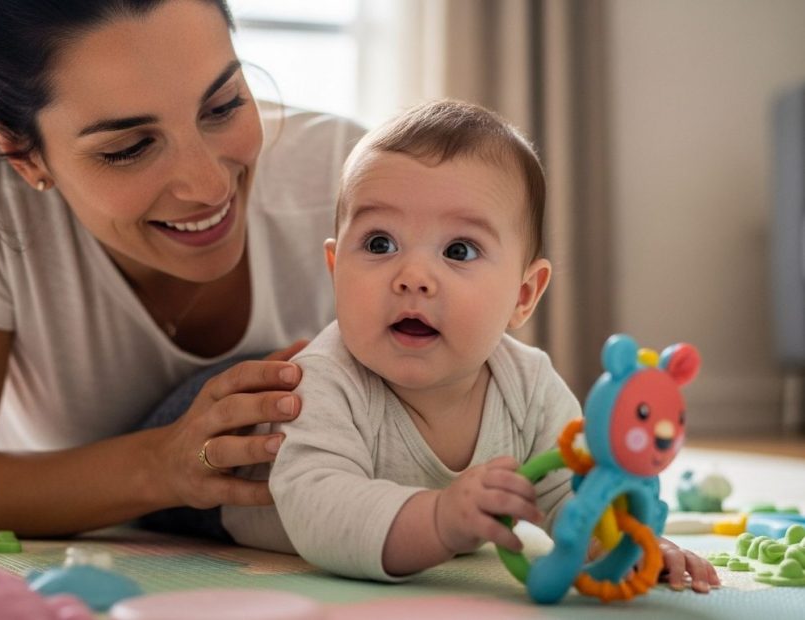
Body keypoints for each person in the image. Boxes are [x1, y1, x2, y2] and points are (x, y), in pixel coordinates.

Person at [0, 0, 364, 537]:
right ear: (24, 155)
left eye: (223, 106)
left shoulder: (352, 180)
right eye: (129, 148)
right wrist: (162, 465)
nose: (209, 187)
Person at [222, 100, 720, 592]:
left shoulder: (529, 386)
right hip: (213, 478)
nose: (413, 277)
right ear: (336, 270)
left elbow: (573, 493)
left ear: (523, 295)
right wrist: (439, 518)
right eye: (379, 244)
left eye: (458, 250)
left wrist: (623, 545)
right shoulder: (324, 381)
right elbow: (319, 512)